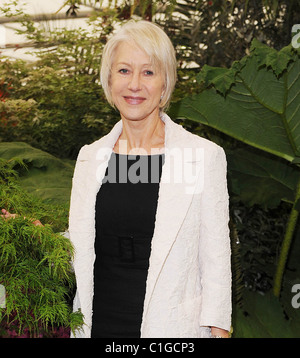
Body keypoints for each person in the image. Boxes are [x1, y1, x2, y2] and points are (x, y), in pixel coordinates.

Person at [68, 20, 231, 338]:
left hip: (171, 329)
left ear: (165, 81)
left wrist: (219, 331)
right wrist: (37, 239)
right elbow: (84, 245)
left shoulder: (201, 157)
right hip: (98, 324)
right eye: (124, 71)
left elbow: (216, 261)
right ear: (109, 78)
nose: (134, 85)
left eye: (148, 72)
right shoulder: (91, 158)